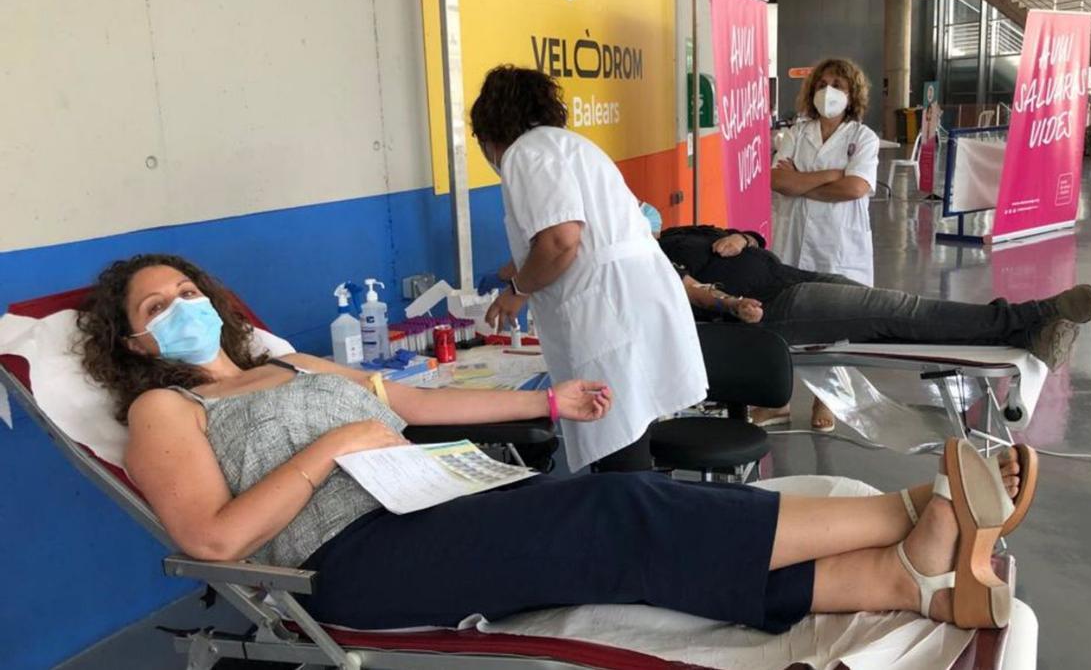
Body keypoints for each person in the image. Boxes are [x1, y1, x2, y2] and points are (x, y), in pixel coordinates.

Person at [78, 253, 1035, 633]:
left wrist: (557, 399)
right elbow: (209, 540)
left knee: (626, 528)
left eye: (191, 292)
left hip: (434, 498)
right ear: (135, 341)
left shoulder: (288, 369)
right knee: (614, 507)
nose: (186, 309)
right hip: (348, 559)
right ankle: (919, 509)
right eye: (161, 306)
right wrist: (326, 455)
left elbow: (411, 398)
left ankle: (905, 582)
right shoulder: (168, 411)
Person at [472, 65, 706, 473]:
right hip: (637, 296)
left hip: (609, 311)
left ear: (489, 129)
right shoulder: (569, 145)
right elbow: (562, 238)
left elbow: (562, 241)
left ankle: (631, 529)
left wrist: (518, 291)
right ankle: (642, 523)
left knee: (618, 447)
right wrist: (513, 272)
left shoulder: (524, 154)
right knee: (630, 433)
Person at [658, 223, 1091, 409]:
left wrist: (743, 238)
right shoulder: (651, 255)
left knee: (899, 315)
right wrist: (731, 305)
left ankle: (1026, 334)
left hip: (793, 276)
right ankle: (1034, 316)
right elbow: (691, 292)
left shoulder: (678, 231)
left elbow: (750, 235)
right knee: (901, 312)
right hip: (775, 311)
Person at [770, 58, 880, 431]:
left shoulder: (862, 138)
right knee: (784, 316)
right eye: (822, 83)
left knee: (834, 322)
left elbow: (855, 188)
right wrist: (830, 176)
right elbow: (779, 182)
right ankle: (777, 401)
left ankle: (826, 400)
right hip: (794, 237)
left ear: (851, 95)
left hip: (840, 245)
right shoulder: (795, 134)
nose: (828, 91)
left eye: (838, 84)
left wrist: (805, 181)